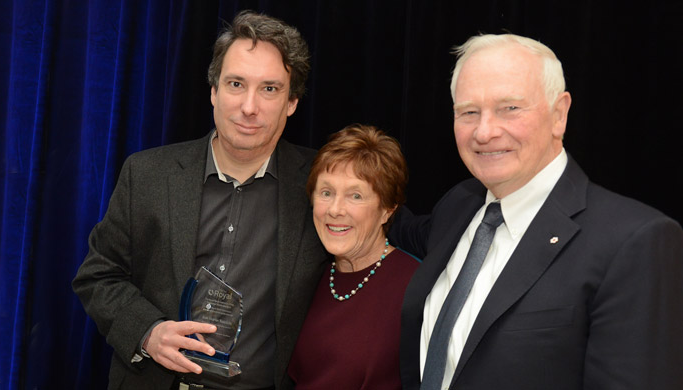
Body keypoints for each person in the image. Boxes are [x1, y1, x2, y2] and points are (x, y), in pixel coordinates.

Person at [389, 34, 683, 390]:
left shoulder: (634, 242)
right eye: (469, 112)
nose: (484, 131)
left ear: (559, 114)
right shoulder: (458, 206)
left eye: (509, 108)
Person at [72, 11, 328, 390]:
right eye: (236, 84)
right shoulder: (147, 174)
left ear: (292, 102)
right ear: (213, 91)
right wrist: (147, 331)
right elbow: (98, 275)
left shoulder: (321, 185)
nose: (249, 106)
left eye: (270, 89)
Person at [287, 124, 419, 389]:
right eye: (326, 192)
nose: (335, 209)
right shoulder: (306, 272)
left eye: (355, 196)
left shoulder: (416, 286)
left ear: (387, 210)